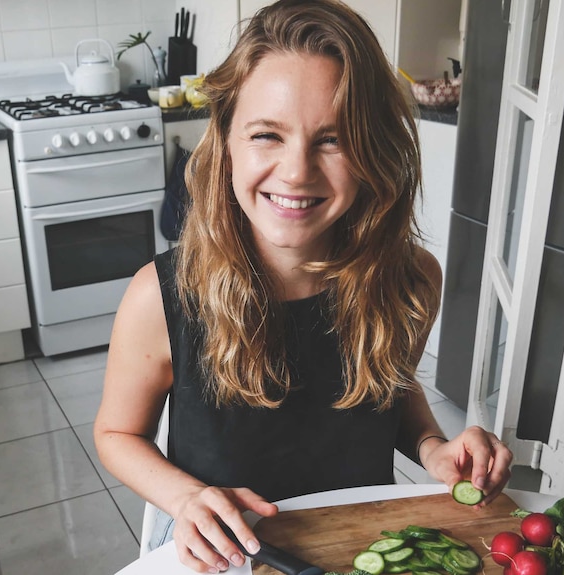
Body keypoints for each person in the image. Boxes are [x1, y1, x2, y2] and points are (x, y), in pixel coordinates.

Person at [94, 0, 514, 572]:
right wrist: (183, 497)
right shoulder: (161, 297)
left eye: (333, 140)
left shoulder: (412, 281)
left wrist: (433, 448)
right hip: (222, 549)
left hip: (357, 539)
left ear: (375, 151)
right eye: (267, 134)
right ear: (226, 142)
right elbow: (118, 432)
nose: (296, 172)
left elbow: (389, 388)